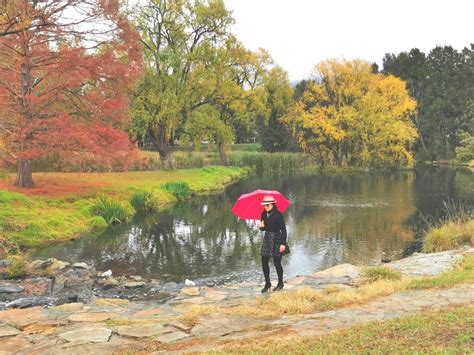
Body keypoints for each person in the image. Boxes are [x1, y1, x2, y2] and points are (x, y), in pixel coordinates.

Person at [258, 195, 287, 293]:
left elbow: (284, 230)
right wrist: (261, 227)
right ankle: (267, 283)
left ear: (273, 204)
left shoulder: (278, 215)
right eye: (264, 205)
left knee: (277, 263)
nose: (265, 207)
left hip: (277, 238)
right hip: (267, 238)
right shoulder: (263, 214)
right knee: (264, 261)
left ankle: (280, 283)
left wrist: (283, 244)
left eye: (267, 205)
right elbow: (264, 228)